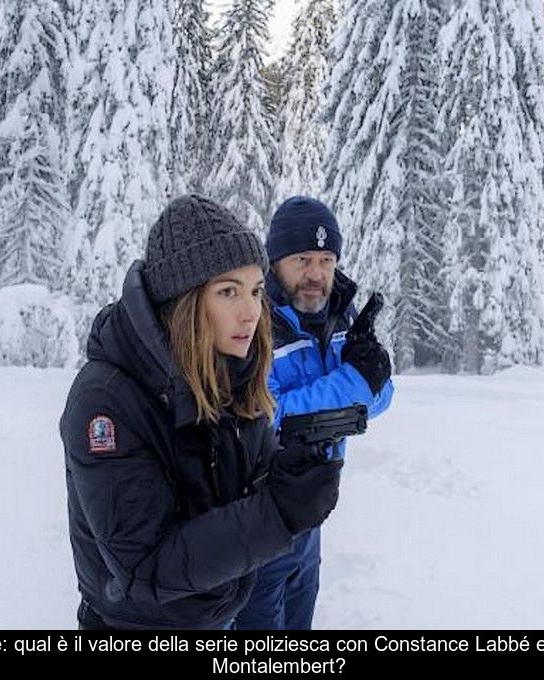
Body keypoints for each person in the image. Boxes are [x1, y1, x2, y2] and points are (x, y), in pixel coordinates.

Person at [60, 195, 343, 630]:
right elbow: (146, 567)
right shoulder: (107, 401)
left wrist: (289, 471)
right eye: (228, 291)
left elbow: (243, 482)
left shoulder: (229, 371)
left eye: (254, 291)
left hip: (218, 617)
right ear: (184, 301)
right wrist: (279, 511)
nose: (251, 312)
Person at [235, 196, 394, 631]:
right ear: (276, 263)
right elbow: (269, 416)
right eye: (303, 259)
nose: (316, 274)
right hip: (259, 517)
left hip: (310, 514)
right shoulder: (253, 323)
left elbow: (381, 397)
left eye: (326, 260)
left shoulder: (338, 317)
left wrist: (363, 381)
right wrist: (355, 384)